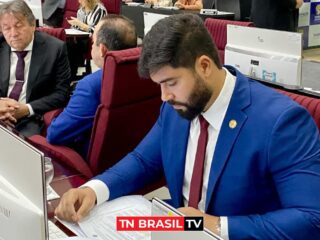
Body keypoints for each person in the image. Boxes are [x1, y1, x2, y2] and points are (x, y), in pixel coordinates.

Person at [55, 14, 320, 239]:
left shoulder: (281, 121)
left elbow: (311, 218)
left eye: (171, 83)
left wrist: (214, 225)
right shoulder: (176, 107)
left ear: (204, 66)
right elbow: (142, 161)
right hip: (177, 227)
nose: (164, 96)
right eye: (159, 85)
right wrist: (93, 189)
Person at [47, 15, 137, 158]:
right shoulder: (148, 74)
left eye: (93, 41)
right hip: (134, 153)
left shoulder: (90, 85)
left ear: (102, 50)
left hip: (94, 163)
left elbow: (55, 134)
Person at [0, 0, 70, 137]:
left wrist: (26, 109)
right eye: (6, 28)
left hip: (30, 117)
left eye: (18, 26)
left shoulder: (55, 49)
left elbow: (61, 93)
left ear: (33, 25)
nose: (13, 33)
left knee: (24, 150)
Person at [67, 0, 107, 80]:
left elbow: (98, 30)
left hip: (94, 40)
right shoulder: (81, 10)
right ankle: (69, 75)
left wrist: (80, 25)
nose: (79, 1)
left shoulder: (99, 10)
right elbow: (78, 28)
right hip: (80, 38)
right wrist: (74, 25)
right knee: (64, 44)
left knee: (70, 47)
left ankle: (71, 76)